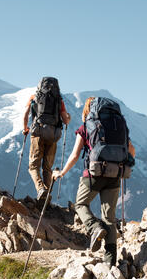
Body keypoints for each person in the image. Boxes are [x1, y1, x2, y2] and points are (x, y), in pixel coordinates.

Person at [52, 96, 135, 267]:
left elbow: (75, 155)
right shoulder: (118, 127)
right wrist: (125, 163)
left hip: (93, 174)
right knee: (110, 218)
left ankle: (94, 228)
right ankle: (110, 261)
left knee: (80, 204)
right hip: (115, 174)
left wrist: (62, 172)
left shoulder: (87, 127)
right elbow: (131, 149)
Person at [22, 77, 71, 201]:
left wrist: (25, 129)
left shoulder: (34, 97)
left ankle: (40, 189)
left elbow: (25, 114)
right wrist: (68, 117)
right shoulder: (59, 100)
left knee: (33, 166)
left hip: (37, 133)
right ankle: (47, 197)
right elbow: (65, 120)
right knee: (47, 168)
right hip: (53, 135)